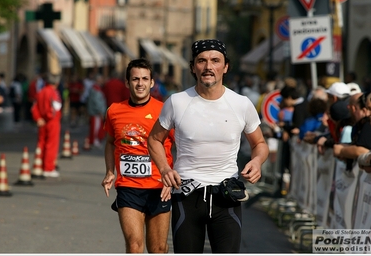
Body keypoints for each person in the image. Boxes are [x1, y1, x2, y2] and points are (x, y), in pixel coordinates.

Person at [147, 39, 269, 253]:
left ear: (226, 66)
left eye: (215, 60)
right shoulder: (177, 102)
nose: (208, 67)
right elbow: (154, 139)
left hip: (226, 196)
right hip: (186, 195)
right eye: (201, 61)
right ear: (193, 67)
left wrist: (257, 161)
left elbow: (259, 143)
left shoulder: (241, 104)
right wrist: (165, 169)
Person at [101, 58, 175, 253]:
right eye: (135, 79)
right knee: (134, 245)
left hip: (159, 188)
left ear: (152, 82)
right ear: (127, 82)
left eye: (144, 79)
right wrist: (110, 171)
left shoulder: (165, 110)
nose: (140, 83)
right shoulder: (114, 111)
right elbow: (109, 143)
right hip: (129, 188)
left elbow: (182, 147)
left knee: (158, 249)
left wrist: (171, 177)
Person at [31, 73, 62, 177]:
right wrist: (49, 117)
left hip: (41, 121)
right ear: (56, 82)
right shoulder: (54, 92)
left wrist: (38, 118)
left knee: (41, 144)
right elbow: (56, 108)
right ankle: (48, 168)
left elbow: (34, 107)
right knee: (51, 145)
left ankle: (39, 165)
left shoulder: (40, 92)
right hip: (52, 121)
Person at [86, 74, 107, 149]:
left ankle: (95, 140)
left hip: (95, 111)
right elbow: (97, 102)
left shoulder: (95, 88)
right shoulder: (96, 89)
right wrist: (101, 111)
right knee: (96, 127)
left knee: (96, 127)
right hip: (96, 112)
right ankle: (95, 140)